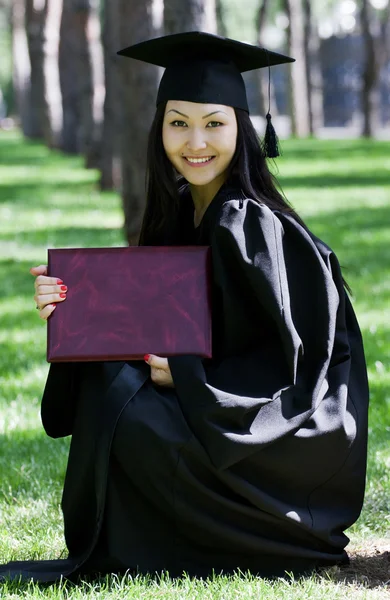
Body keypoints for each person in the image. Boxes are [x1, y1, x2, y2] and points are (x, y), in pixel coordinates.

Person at [0, 32, 369, 583]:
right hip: (228, 422)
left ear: (242, 128)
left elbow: (292, 368)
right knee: (107, 375)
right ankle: (127, 547)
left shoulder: (249, 222)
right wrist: (73, 308)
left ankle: (150, 549)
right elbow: (152, 326)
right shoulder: (183, 211)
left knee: (116, 390)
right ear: (160, 129)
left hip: (287, 457)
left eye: (214, 123)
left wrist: (189, 375)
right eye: (178, 123)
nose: (195, 141)